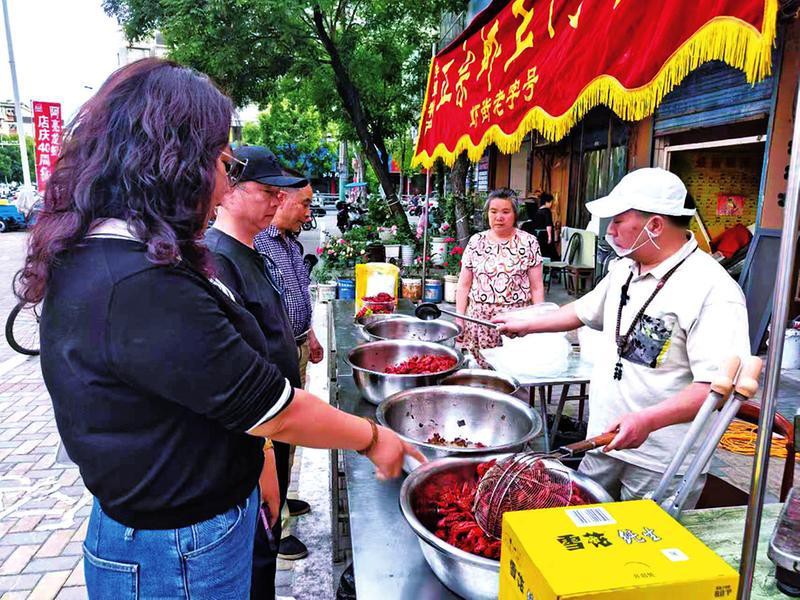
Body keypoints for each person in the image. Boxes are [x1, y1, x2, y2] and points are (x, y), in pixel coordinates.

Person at [18, 58, 422, 599]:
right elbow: (272, 407)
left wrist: (258, 464)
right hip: (176, 551)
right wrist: (373, 437)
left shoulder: (121, 255)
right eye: (221, 161)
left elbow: (221, 395)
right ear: (175, 162)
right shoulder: (137, 283)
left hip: (177, 532)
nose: (222, 180)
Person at [493, 168, 750, 507]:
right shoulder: (623, 269)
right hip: (602, 442)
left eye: (617, 221)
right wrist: (526, 324)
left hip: (660, 462)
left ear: (655, 225)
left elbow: (716, 388)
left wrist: (648, 420)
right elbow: (583, 310)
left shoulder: (713, 290)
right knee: (582, 528)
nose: (609, 231)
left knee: (640, 553)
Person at [204, 146, 310, 598]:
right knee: (258, 538)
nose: (274, 201)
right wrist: (264, 445)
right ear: (228, 192)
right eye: (266, 191)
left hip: (275, 415)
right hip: (254, 432)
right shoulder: (216, 258)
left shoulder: (253, 252)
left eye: (277, 193)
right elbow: (235, 369)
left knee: (270, 523)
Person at [252, 156, 321, 562]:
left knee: (288, 438)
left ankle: (284, 498)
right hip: (270, 358)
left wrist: (309, 335)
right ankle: (275, 529)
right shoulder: (257, 245)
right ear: (282, 200)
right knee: (270, 440)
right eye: (306, 204)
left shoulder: (291, 245)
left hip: (294, 347)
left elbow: (297, 297)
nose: (309, 212)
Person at [455, 188, 545, 368]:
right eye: (493, 212)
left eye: (506, 212)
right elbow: (464, 285)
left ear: (515, 214)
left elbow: (537, 287)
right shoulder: (476, 242)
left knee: (514, 375)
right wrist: (460, 319)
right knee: (481, 377)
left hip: (515, 324)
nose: (499, 217)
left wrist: (538, 321)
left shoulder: (528, 242)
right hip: (479, 323)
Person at [521, 192, 557, 260]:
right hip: (545, 235)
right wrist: (549, 237)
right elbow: (548, 224)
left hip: (538, 235)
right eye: (551, 202)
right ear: (547, 202)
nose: (552, 204)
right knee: (549, 252)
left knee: (541, 251)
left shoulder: (538, 211)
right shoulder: (546, 211)